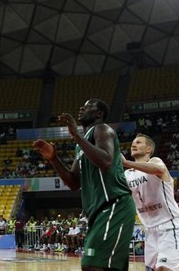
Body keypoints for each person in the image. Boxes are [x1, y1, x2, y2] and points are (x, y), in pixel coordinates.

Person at [34, 98, 135, 271]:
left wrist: (76, 135)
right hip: (97, 212)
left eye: (88, 106)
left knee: (91, 265)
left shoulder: (102, 129)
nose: (82, 108)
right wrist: (54, 159)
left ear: (99, 113)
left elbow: (106, 161)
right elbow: (73, 182)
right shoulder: (81, 146)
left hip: (114, 205)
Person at [123, 133, 179, 271]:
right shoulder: (127, 175)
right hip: (150, 230)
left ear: (149, 149)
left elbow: (158, 170)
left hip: (171, 226)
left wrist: (126, 162)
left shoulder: (155, 161)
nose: (134, 145)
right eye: (133, 143)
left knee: (163, 269)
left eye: (139, 142)